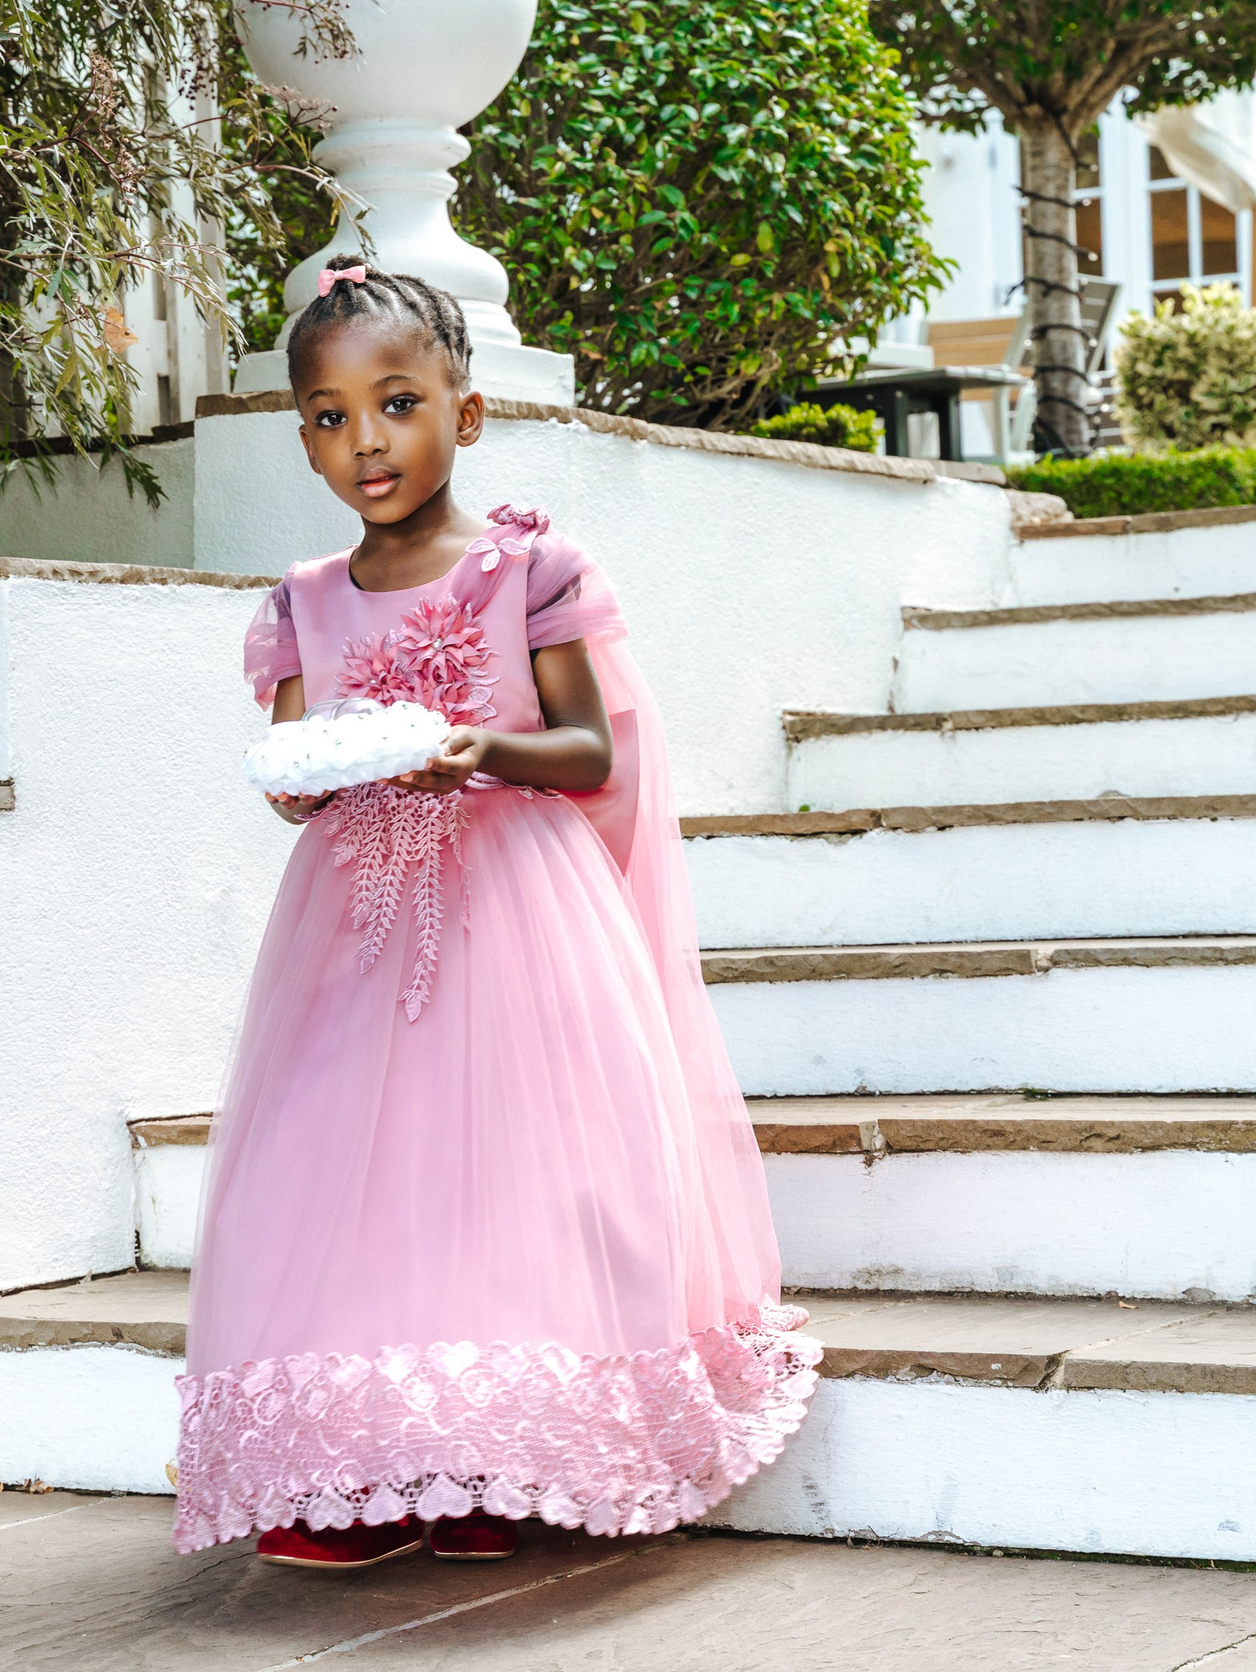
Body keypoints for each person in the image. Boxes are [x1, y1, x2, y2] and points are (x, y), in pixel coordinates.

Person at [172, 256, 817, 1572]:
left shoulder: (531, 569)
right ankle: (365, 1472)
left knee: (511, 1186)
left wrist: (481, 749)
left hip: (517, 912)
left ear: (464, 413)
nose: (367, 441)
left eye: (397, 403)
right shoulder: (304, 600)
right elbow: (293, 766)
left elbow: (588, 750)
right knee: (342, 1182)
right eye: (330, 416)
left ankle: (493, 1462)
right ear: (303, 436)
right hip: (354, 928)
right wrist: (308, 782)